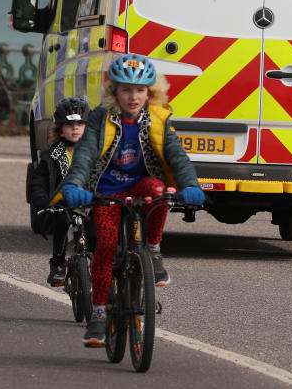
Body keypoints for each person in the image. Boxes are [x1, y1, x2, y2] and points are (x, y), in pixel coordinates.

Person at [60, 53, 205, 347]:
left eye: (140, 90)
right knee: (107, 246)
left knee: (158, 189)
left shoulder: (158, 117)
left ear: (151, 92)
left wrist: (190, 185)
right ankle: (99, 314)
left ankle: (152, 250)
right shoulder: (101, 117)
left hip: (140, 187)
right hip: (106, 192)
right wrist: (75, 185)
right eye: (126, 89)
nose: (133, 96)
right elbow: (85, 154)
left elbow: (176, 156)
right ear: (113, 91)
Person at [27, 96, 91, 286]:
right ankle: (58, 263)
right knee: (62, 218)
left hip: (91, 203)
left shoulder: (97, 154)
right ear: (60, 129)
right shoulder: (51, 158)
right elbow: (38, 183)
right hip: (63, 205)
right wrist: (41, 200)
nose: (75, 128)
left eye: (80, 123)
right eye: (69, 124)